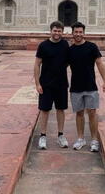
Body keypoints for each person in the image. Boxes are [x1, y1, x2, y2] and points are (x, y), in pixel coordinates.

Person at [68, 22, 105, 152]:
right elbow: (60, 66)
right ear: (72, 33)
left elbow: (100, 64)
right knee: (79, 113)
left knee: (92, 113)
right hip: (76, 86)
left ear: (84, 33)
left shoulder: (92, 47)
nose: (78, 34)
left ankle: (94, 140)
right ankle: (80, 139)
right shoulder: (70, 50)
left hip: (91, 85)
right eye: (76, 32)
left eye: (80, 32)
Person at [34, 21, 69, 150]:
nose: (57, 33)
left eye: (59, 31)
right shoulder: (43, 45)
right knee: (44, 110)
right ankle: (43, 136)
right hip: (46, 84)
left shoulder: (65, 45)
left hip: (61, 83)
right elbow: (37, 64)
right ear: (51, 31)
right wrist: (37, 83)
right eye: (55, 30)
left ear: (62, 32)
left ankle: (60, 135)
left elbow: (68, 62)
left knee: (61, 109)